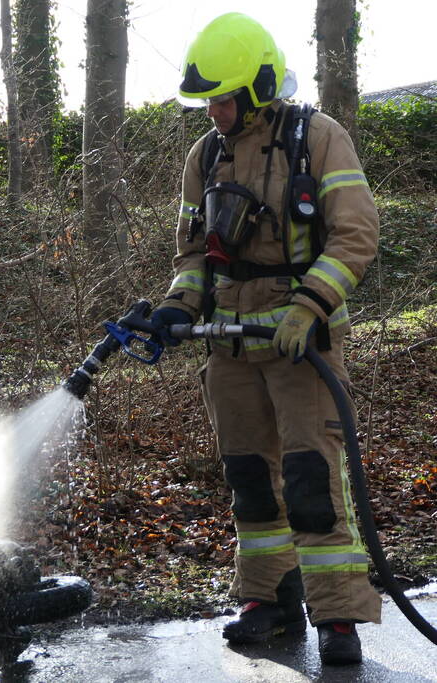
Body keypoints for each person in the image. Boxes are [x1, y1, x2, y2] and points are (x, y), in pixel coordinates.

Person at [149, 12, 381, 666]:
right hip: (228, 339)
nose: (213, 112)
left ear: (255, 87)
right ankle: (268, 600)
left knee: (310, 475)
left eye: (221, 98)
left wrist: (308, 306)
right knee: (249, 476)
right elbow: (192, 252)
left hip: (296, 338)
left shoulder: (317, 138)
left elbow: (355, 233)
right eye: (206, 101)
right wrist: (178, 306)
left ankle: (336, 614)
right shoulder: (205, 155)